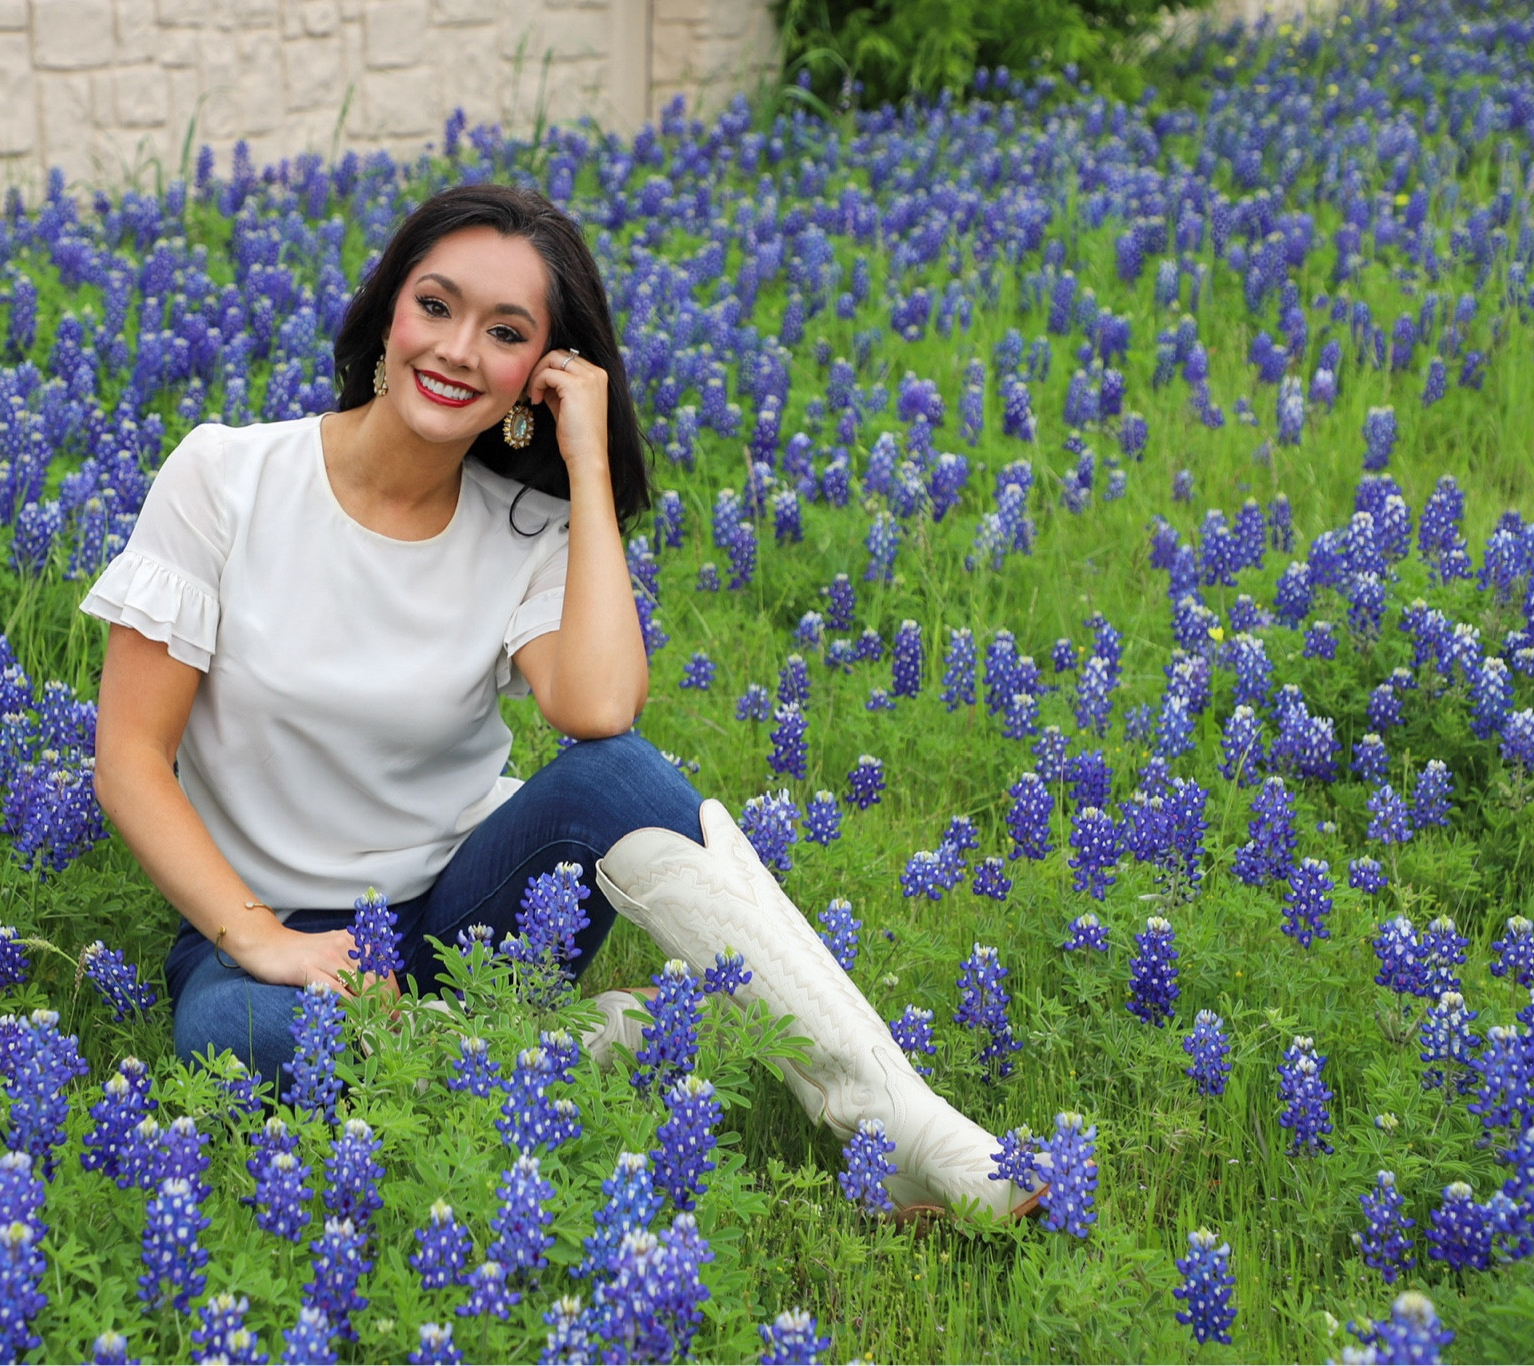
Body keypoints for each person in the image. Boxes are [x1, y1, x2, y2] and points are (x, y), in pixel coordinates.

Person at [83, 183, 1037, 1220]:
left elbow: (597, 709)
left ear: (540, 372)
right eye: (435, 307)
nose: (455, 351)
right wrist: (260, 937)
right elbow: (129, 756)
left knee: (615, 775)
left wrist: (585, 463)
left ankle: (900, 1127)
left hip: (470, 918)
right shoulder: (225, 477)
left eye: (504, 333)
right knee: (233, 1038)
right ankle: (601, 1043)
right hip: (270, 941)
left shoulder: (521, 531)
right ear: (387, 310)